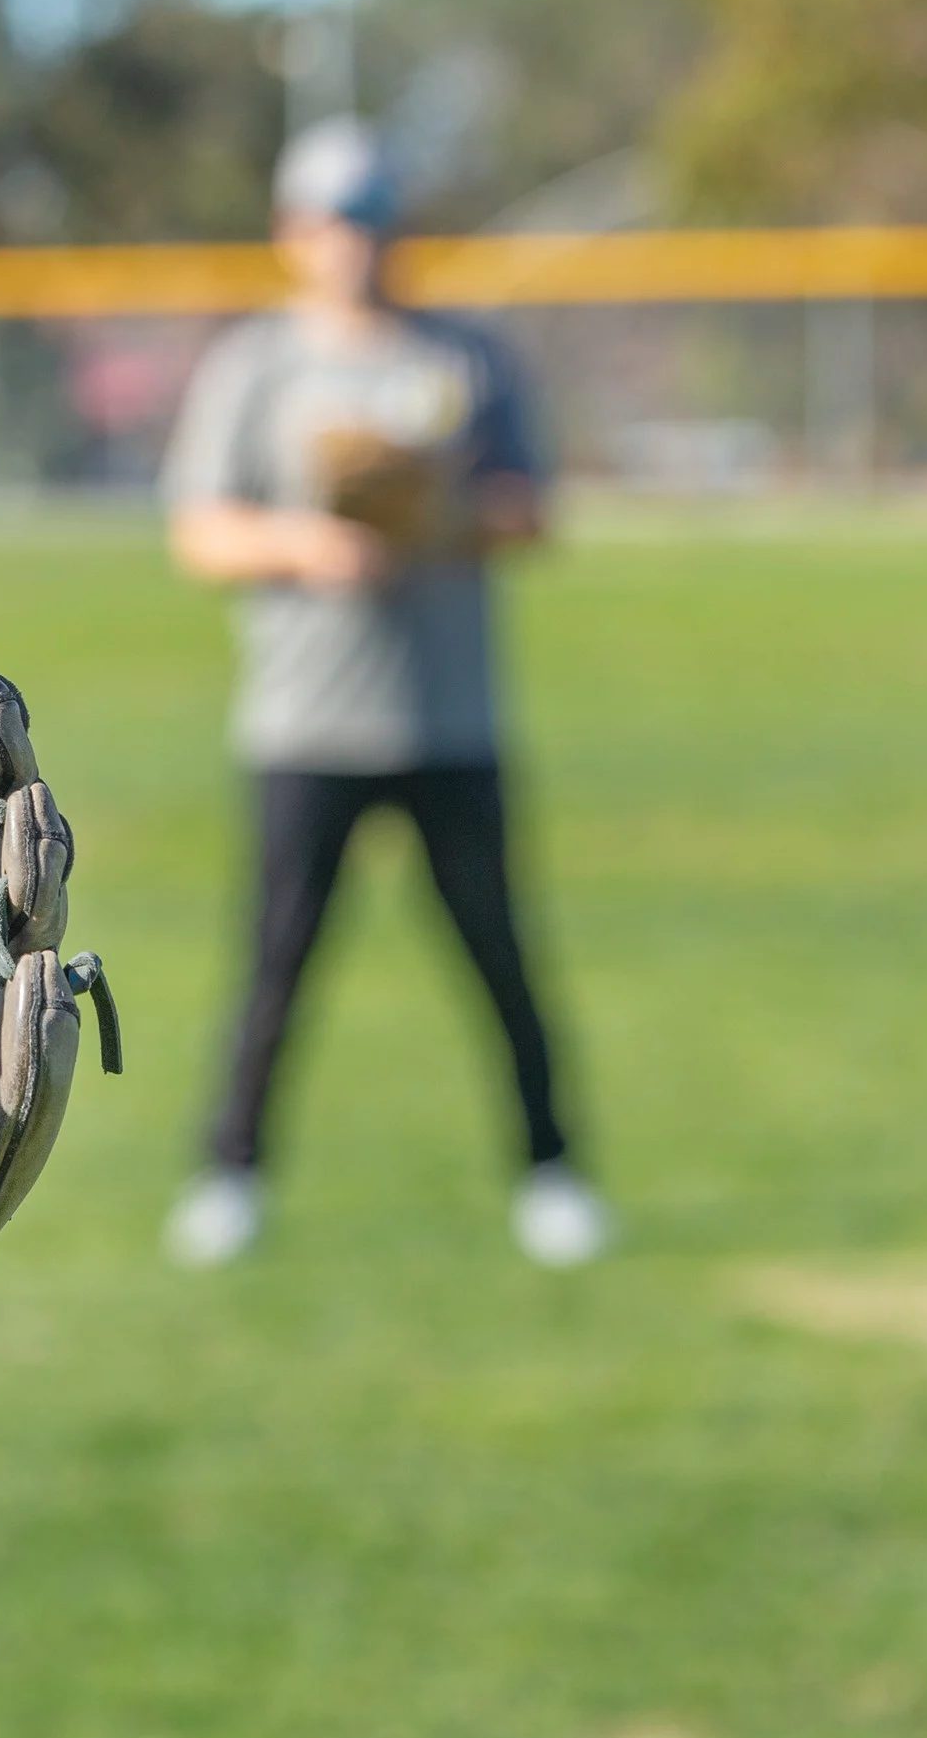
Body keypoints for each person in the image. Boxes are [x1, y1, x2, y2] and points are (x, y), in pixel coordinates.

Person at [158, 115, 609, 1272]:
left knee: (500, 957)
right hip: (305, 723)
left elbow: (531, 511)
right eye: (331, 219)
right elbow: (201, 531)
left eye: (373, 217)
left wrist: (431, 509)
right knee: (278, 965)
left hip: (449, 719)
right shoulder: (257, 365)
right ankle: (231, 1176)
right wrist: (311, 544)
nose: (354, 241)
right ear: (291, 232)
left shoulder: (465, 359)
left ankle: (552, 1173)